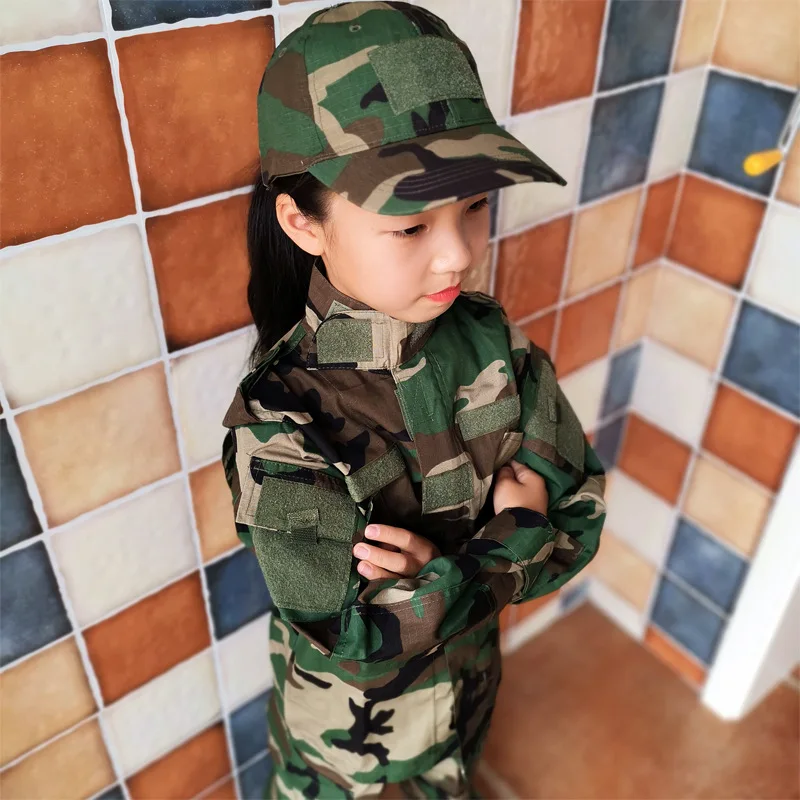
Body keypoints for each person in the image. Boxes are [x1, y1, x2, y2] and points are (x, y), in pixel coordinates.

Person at [220, 2, 607, 797]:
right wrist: (510, 541)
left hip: (468, 699)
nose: (458, 254)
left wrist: (442, 581)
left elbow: (581, 516)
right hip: (344, 758)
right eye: (410, 225)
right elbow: (353, 633)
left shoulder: (496, 344)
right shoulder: (282, 419)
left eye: (475, 206)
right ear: (303, 222)